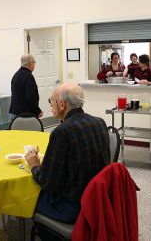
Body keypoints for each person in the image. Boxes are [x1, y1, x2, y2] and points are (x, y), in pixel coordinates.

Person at [25, 84, 110, 228]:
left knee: (27, 198)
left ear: (62, 104)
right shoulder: (99, 122)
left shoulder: (62, 132)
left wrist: (34, 165)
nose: (51, 105)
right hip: (98, 199)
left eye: (51, 101)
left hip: (73, 207)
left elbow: (48, 183)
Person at [9, 54, 43, 119]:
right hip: (25, 115)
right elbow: (30, 97)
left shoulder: (16, 75)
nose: (34, 66)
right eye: (34, 63)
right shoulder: (28, 76)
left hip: (13, 112)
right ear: (29, 64)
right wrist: (38, 111)